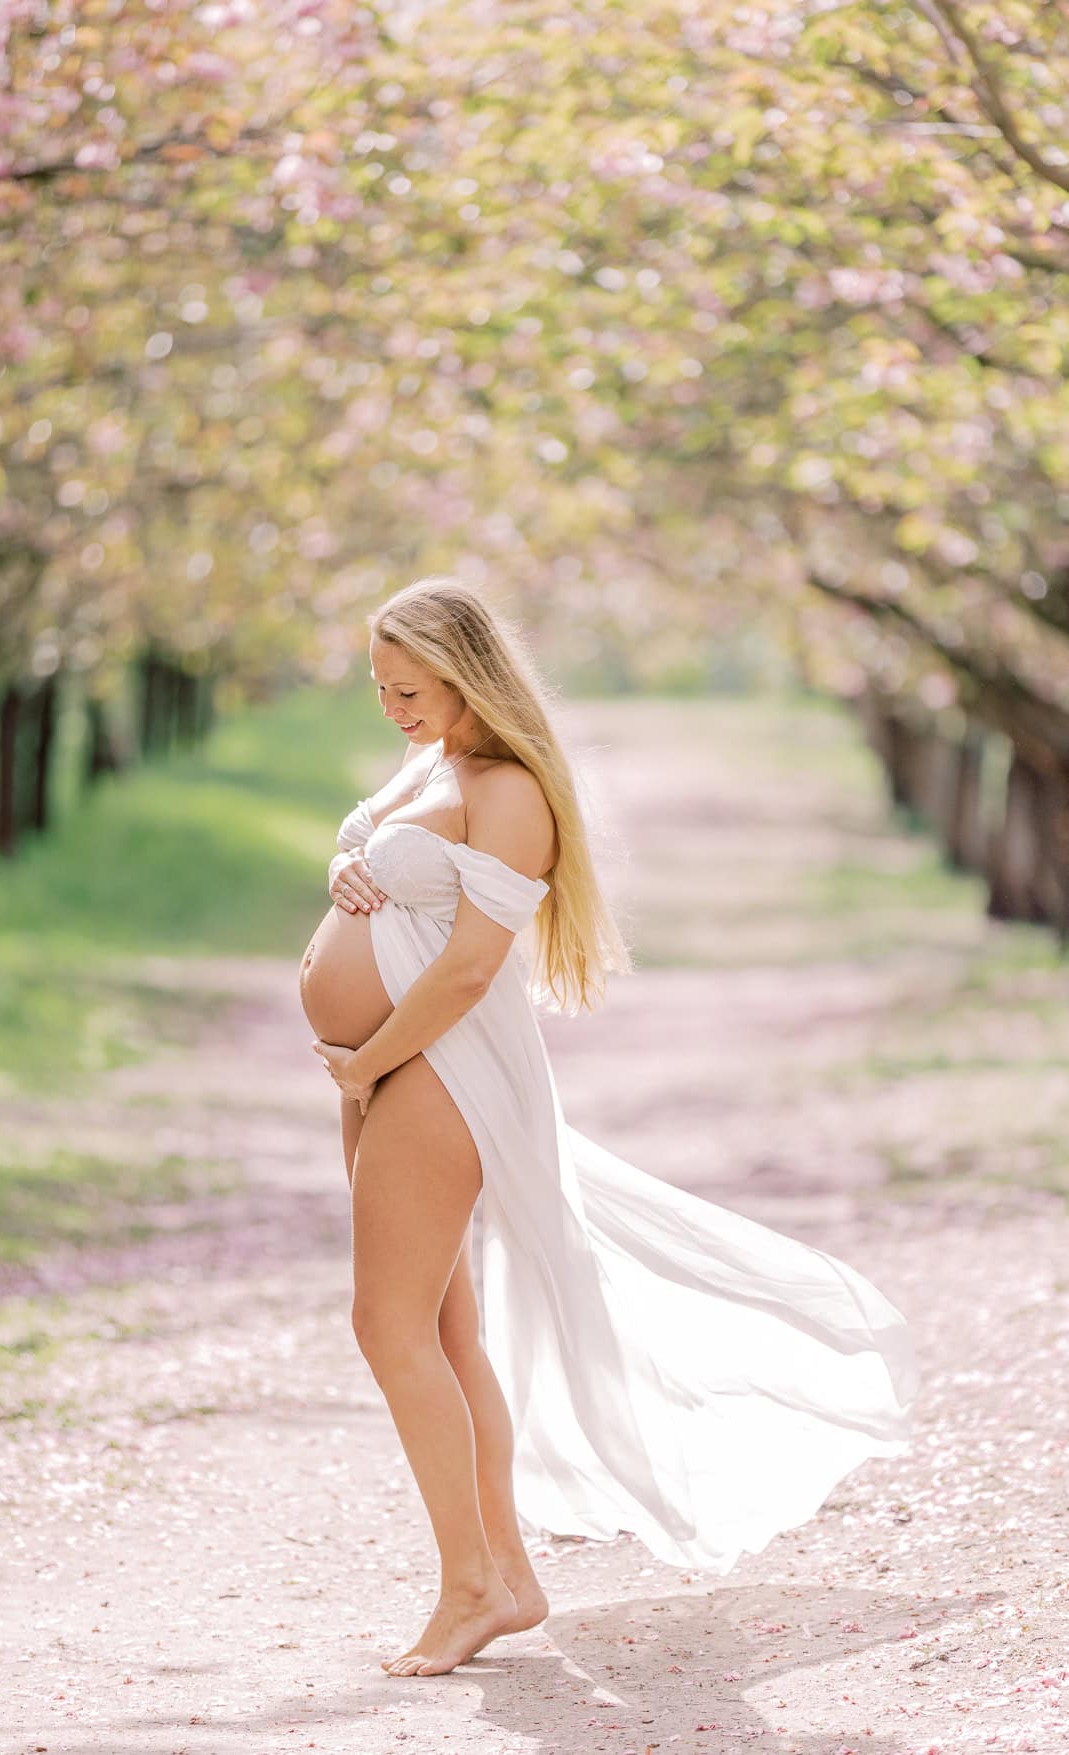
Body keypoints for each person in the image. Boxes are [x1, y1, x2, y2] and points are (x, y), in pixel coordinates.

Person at [298, 576, 918, 1680]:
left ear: (466, 672)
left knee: (387, 1328)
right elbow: (394, 871)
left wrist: (368, 1061)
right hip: (384, 1074)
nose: (391, 707)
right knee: (441, 1334)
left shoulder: (510, 790)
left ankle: (472, 1583)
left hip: (437, 1069)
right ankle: (507, 1578)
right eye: (381, 689)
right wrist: (349, 868)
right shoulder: (435, 760)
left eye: (410, 688)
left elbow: (471, 969)